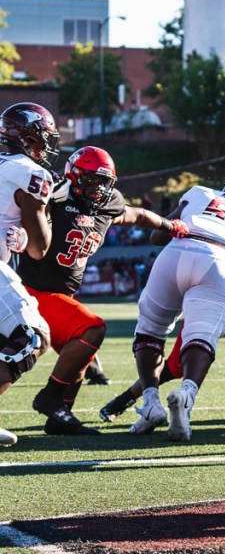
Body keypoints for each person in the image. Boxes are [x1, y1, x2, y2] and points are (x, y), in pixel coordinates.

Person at [22, 146, 189, 436]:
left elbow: (136, 215)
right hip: (31, 289)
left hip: (60, 294)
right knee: (93, 329)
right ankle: (50, 399)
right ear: (73, 177)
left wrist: (170, 225)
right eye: (90, 180)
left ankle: (61, 415)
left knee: (79, 359)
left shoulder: (108, 204)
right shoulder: (55, 194)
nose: (97, 187)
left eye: (103, 181)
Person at [129, 178, 225, 441]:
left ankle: (151, 403)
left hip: (176, 253)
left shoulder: (201, 193)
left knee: (150, 331)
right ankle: (186, 394)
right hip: (219, 259)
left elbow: (157, 236)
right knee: (201, 337)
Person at [0, 102, 59, 447]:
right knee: (33, 337)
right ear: (29, 136)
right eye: (43, 138)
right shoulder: (29, 171)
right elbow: (39, 247)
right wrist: (31, 231)